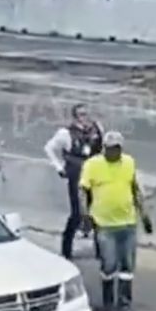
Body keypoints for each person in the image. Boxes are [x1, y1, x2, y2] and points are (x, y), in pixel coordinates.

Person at [79, 131, 152, 311]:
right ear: (104, 148)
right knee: (109, 264)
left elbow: (136, 190)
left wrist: (144, 215)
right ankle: (108, 301)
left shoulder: (129, 163)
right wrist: (85, 216)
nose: (114, 152)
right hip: (104, 224)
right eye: (111, 149)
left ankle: (124, 303)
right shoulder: (92, 165)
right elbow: (83, 192)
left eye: (117, 148)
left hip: (128, 223)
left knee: (127, 266)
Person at [44, 103, 104, 260]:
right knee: (77, 213)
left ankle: (100, 249)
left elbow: (101, 149)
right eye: (81, 115)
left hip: (95, 173)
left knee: (97, 212)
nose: (85, 118)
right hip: (77, 174)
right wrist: (59, 167)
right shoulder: (65, 133)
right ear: (75, 117)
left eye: (87, 114)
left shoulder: (97, 129)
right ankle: (66, 250)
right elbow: (49, 148)